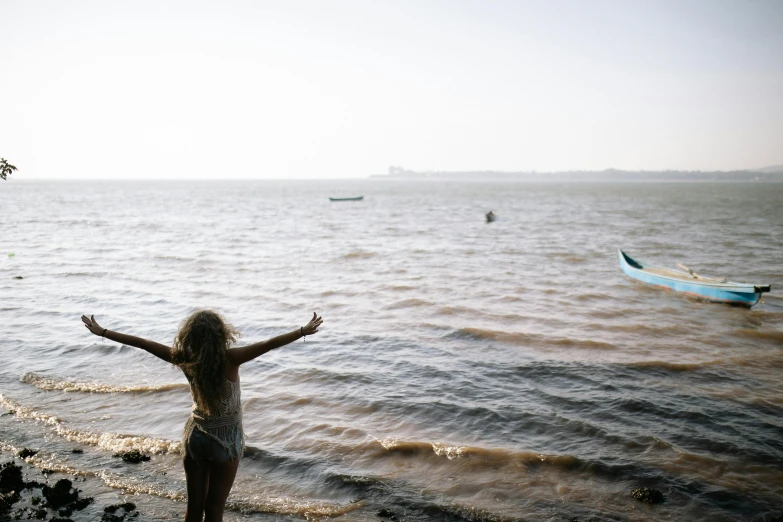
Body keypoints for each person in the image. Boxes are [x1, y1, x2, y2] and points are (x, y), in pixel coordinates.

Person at [81, 310, 323, 522]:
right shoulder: (232, 358)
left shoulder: (184, 358)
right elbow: (270, 343)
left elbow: (143, 342)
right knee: (215, 509)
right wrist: (302, 330)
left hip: (195, 437)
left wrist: (103, 332)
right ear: (222, 334)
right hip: (225, 440)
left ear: (189, 337)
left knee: (194, 508)